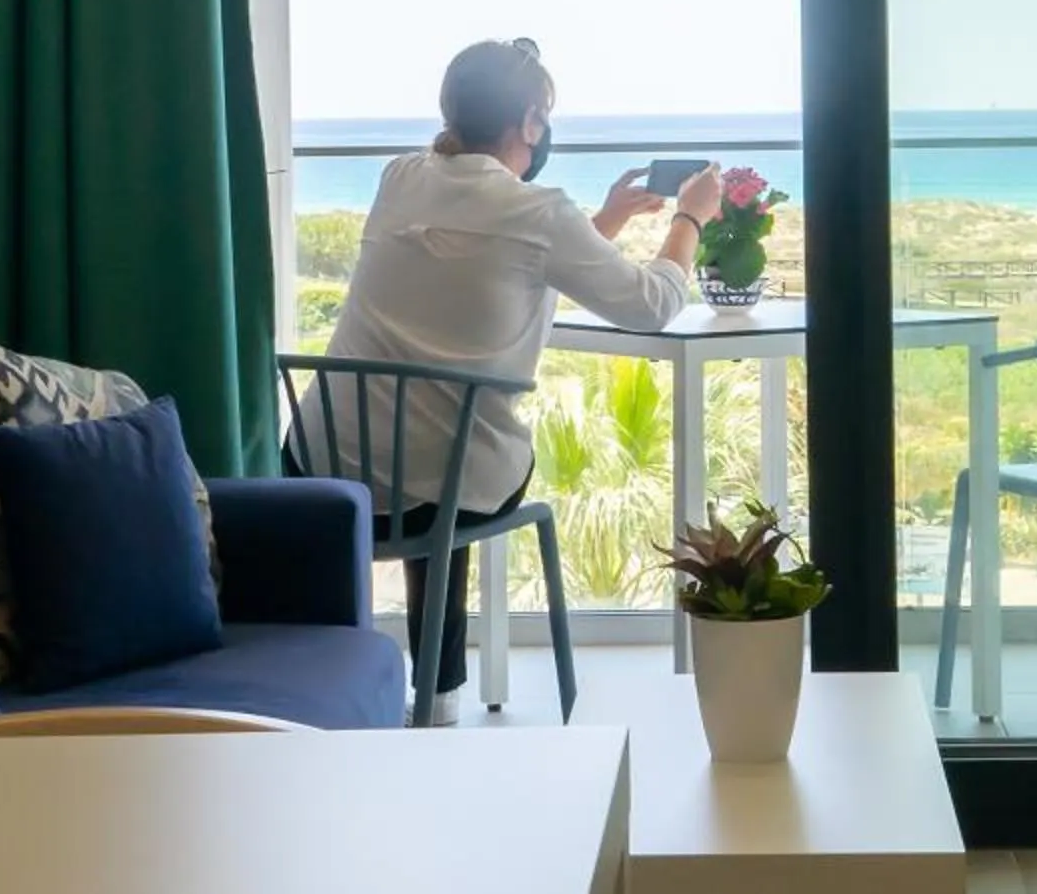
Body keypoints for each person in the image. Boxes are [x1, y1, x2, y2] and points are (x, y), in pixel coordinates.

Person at [294, 37, 720, 725]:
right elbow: (653, 304)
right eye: (542, 115)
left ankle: (407, 687)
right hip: (438, 492)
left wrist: (602, 223)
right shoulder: (540, 214)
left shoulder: (398, 178)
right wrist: (690, 217)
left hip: (319, 464)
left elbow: (497, 258)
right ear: (528, 122)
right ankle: (437, 694)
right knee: (454, 456)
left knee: (427, 441)